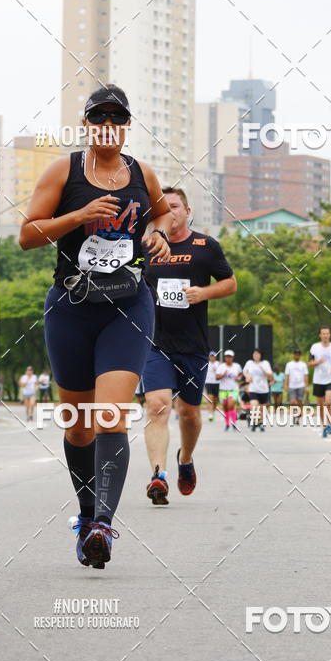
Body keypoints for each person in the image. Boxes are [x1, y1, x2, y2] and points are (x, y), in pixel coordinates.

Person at [19, 84, 172, 568]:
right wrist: (80, 214)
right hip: (71, 307)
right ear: (86, 124)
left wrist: (157, 233)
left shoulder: (141, 173)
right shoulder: (62, 171)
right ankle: (86, 517)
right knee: (80, 426)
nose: (108, 123)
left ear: (126, 126)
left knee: (111, 416)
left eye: (117, 117)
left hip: (127, 307)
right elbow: (27, 235)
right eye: (98, 116)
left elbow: (163, 212)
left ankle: (103, 525)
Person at [142, 187, 236, 505]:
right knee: (157, 407)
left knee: (190, 414)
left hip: (193, 345)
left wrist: (203, 293)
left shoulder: (205, 246)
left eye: (176, 206)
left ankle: (185, 459)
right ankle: (158, 474)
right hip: (155, 344)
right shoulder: (147, 247)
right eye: (164, 208)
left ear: (187, 210)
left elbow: (230, 283)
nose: (171, 212)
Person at [308, 327, 331, 437]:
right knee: (320, 405)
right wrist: (318, 362)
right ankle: (325, 425)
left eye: (327, 333)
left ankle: (329, 423)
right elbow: (310, 362)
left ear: (330, 335)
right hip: (318, 379)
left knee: (328, 402)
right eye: (323, 333)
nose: (325, 335)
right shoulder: (315, 347)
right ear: (320, 335)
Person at [243, 349, 273, 432]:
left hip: (264, 389)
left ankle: (261, 423)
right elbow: (245, 371)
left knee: (262, 408)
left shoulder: (265, 363)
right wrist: (247, 376)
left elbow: (270, 376)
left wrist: (263, 369)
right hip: (253, 388)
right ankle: (255, 422)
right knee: (254, 406)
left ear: (261, 355)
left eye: (258, 354)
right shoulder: (249, 363)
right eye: (254, 354)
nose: (256, 355)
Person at [217, 351, 243, 430]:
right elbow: (217, 377)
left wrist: (238, 378)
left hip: (233, 389)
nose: (228, 358)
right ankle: (227, 423)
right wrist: (223, 375)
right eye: (227, 356)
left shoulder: (236, 366)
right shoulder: (221, 367)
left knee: (230, 405)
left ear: (232, 357)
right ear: (225, 358)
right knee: (225, 407)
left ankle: (234, 422)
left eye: (230, 357)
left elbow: (241, 374)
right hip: (223, 390)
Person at [285, 349, 309, 424]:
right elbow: (287, 375)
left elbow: (306, 376)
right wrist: (286, 384)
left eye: (298, 354)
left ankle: (298, 417)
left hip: (300, 385)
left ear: (300, 355)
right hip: (292, 385)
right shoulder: (289, 364)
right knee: (292, 402)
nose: (297, 356)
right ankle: (294, 414)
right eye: (295, 354)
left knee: (299, 402)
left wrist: (306, 386)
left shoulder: (303, 364)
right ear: (293, 355)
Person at [204, 352, 221, 421]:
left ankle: (213, 411)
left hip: (217, 383)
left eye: (213, 356)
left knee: (216, 399)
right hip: (208, 382)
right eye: (211, 356)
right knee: (210, 398)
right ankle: (210, 413)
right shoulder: (206, 363)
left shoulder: (219, 364)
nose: (212, 357)